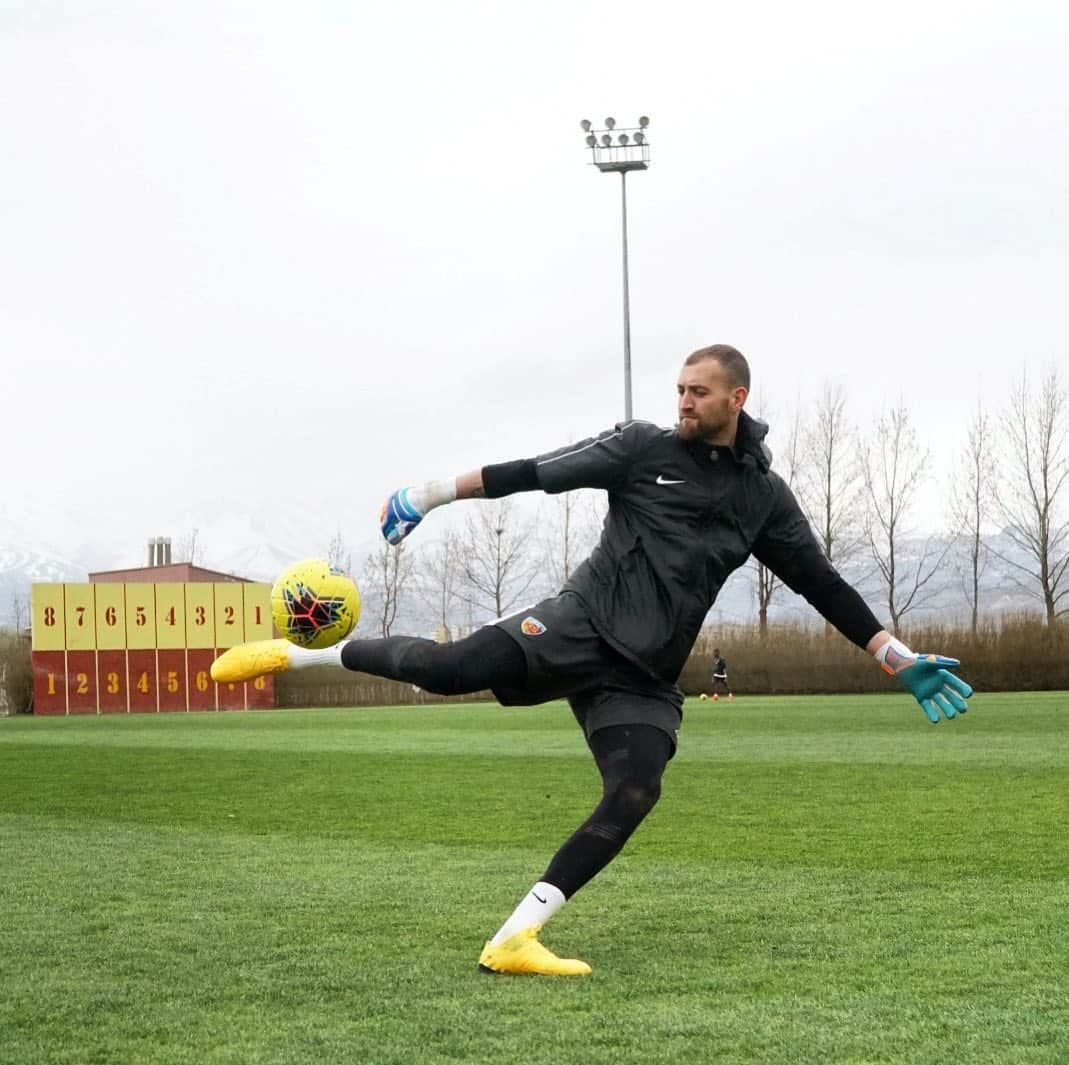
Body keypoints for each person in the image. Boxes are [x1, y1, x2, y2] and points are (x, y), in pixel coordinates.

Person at [212, 343, 973, 977]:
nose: (682, 401)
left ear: (735, 397)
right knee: (445, 670)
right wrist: (430, 492)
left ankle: (512, 938)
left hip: (641, 675)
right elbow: (537, 471)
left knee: (635, 791)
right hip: (576, 625)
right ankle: (298, 653)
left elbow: (821, 582)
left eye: (697, 391)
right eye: (677, 388)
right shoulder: (643, 448)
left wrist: (894, 655)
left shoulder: (762, 498)